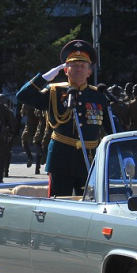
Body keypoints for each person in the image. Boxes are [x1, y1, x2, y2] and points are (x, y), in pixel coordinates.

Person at [15, 40, 107, 197]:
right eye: (74, 66)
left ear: (89, 72)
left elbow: (111, 127)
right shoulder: (54, 92)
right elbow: (23, 96)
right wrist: (43, 78)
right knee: (59, 202)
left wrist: (125, 154)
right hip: (61, 159)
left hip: (89, 159)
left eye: (82, 66)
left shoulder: (98, 95)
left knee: (91, 203)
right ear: (66, 70)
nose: (78, 69)